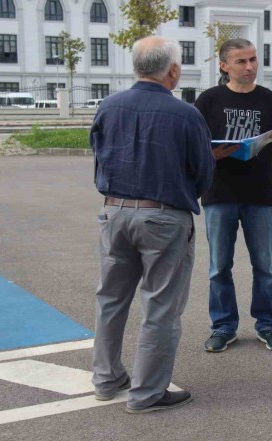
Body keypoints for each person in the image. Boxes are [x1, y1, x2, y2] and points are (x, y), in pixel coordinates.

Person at [90, 36, 215, 413]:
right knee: (160, 305)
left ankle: (106, 377)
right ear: (173, 70)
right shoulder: (186, 114)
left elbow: (100, 157)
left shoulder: (108, 106)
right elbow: (203, 172)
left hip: (114, 210)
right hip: (164, 214)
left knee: (111, 299)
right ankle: (147, 393)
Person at [193, 38, 272, 353]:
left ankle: (268, 324)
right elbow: (193, 148)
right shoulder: (208, 101)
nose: (250, 67)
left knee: (265, 266)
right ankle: (223, 326)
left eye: (253, 60)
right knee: (219, 266)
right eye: (241, 61)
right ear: (224, 66)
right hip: (219, 194)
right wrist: (213, 155)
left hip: (260, 195)